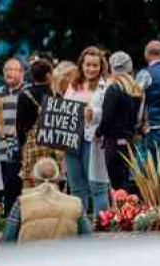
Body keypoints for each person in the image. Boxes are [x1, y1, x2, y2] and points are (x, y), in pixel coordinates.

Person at [63, 46, 109, 220]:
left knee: (97, 185)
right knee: (76, 187)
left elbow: (110, 113)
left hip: (93, 140)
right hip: (72, 139)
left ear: (101, 67)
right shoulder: (72, 86)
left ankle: (101, 225)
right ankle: (79, 226)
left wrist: (94, 113)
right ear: (81, 65)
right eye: (87, 65)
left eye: (95, 65)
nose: (90, 69)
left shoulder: (106, 87)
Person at [2, 157, 92, 242]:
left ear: (33, 178)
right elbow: (87, 238)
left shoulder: (22, 202)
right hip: (66, 257)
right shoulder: (76, 203)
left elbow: (8, 239)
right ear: (58, 178)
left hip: (29, 257)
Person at [96, 51, 144, 190]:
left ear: (112, 68)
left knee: (117, 184)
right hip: (128, 141)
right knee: (125, 181)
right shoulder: (136, 90)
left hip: (113, 142)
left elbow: (107, 118)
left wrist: (98, 132)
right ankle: (129, 210)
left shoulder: (114, 89)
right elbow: (138, 119)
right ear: (129, 68)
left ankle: (121, 211)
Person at [17, 58, 62, 189]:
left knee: (29, 183)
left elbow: (20, 126)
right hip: (52, 147)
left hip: (31, 146)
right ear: (48, 75)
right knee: (52, 184)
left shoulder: (24, 96)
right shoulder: (56, 96)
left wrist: (22, 147)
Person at [0, 57, 25, 217]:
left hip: (21, 149)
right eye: (6, 69)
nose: (9, 73)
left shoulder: (27, 92)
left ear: (22, 73)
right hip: (1, 149)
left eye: (13, 69)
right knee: (4, 187)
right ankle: (6, 221)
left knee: (17, 186)